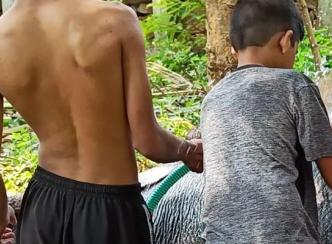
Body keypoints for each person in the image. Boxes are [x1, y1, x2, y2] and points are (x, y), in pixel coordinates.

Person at [0, 0, 203, 243]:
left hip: (43, 208)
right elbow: (147, 140)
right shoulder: (116, 21)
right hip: (111, 211)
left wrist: (2, 213)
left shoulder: (4, 34)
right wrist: (188, 151)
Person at [199, 0, 332, 243]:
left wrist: (322, 128)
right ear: (286, 41)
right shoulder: (295, 85)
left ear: (233, 47)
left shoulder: (212, 100)